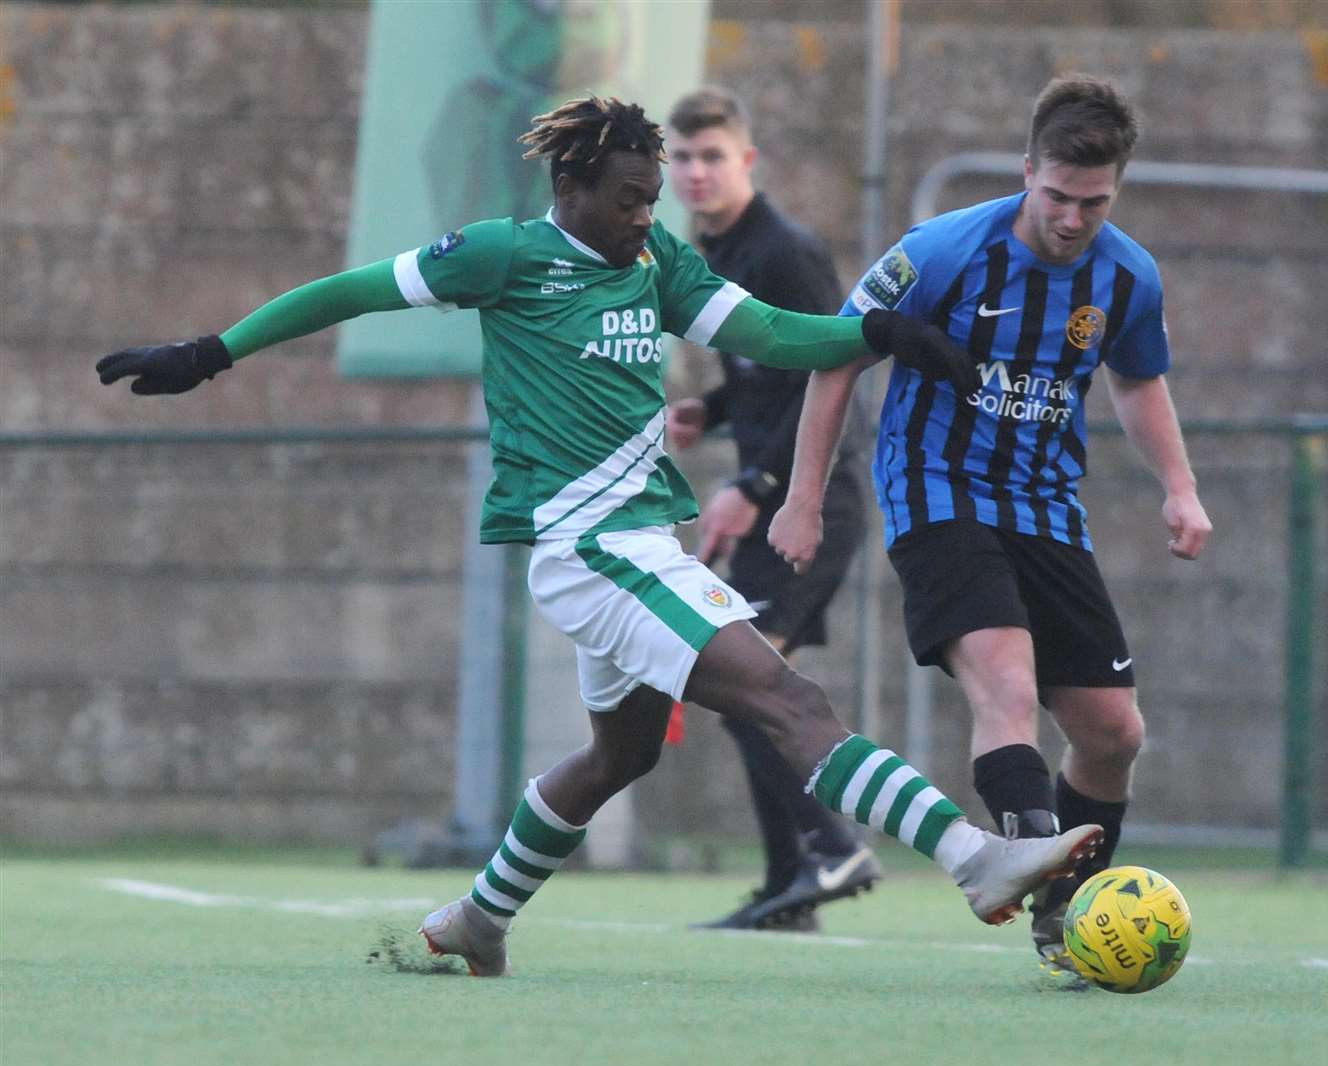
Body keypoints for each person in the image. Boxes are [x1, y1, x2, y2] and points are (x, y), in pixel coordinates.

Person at [94, 95, 1103, 977]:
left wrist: (876, 336)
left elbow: (767, 334)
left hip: (640, 546)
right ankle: (976, 859)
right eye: (628, 197)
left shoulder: (657, 259)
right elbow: (349, 290)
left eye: (651, 196)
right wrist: (211, 350)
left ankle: (479, 918)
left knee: (620, 756)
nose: (645, 215)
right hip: (592, 552)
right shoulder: (503, 257)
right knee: (784, 695)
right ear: (572, 186)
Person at [767, 74, 1212, 976]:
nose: (1073, 218)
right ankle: (1025, 850)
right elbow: (833, 359)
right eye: (1057, 196)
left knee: (1113, 732)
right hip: (937, 495)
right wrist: (803, 496)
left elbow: (1136, 379)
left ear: (1115, 188)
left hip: (1047, 506)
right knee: (1004, 685)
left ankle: (1061, 914)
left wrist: (1180, 486)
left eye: (1094, 201)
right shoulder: (940, 251)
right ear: (1026, 173)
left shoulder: (1127, 274)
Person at [663, 86, 879, 932]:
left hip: (813, 502)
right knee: (746, 690)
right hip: (773, 495)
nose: (695, 172)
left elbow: (833, 376)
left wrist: (754, 489)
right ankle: (794, 886)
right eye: (682, 158)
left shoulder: (784, 250)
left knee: (748, 684)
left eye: (712, 156)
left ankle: (832, 850)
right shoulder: (707, 251)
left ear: (746, 161)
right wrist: (709, 413)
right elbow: (768, 375)